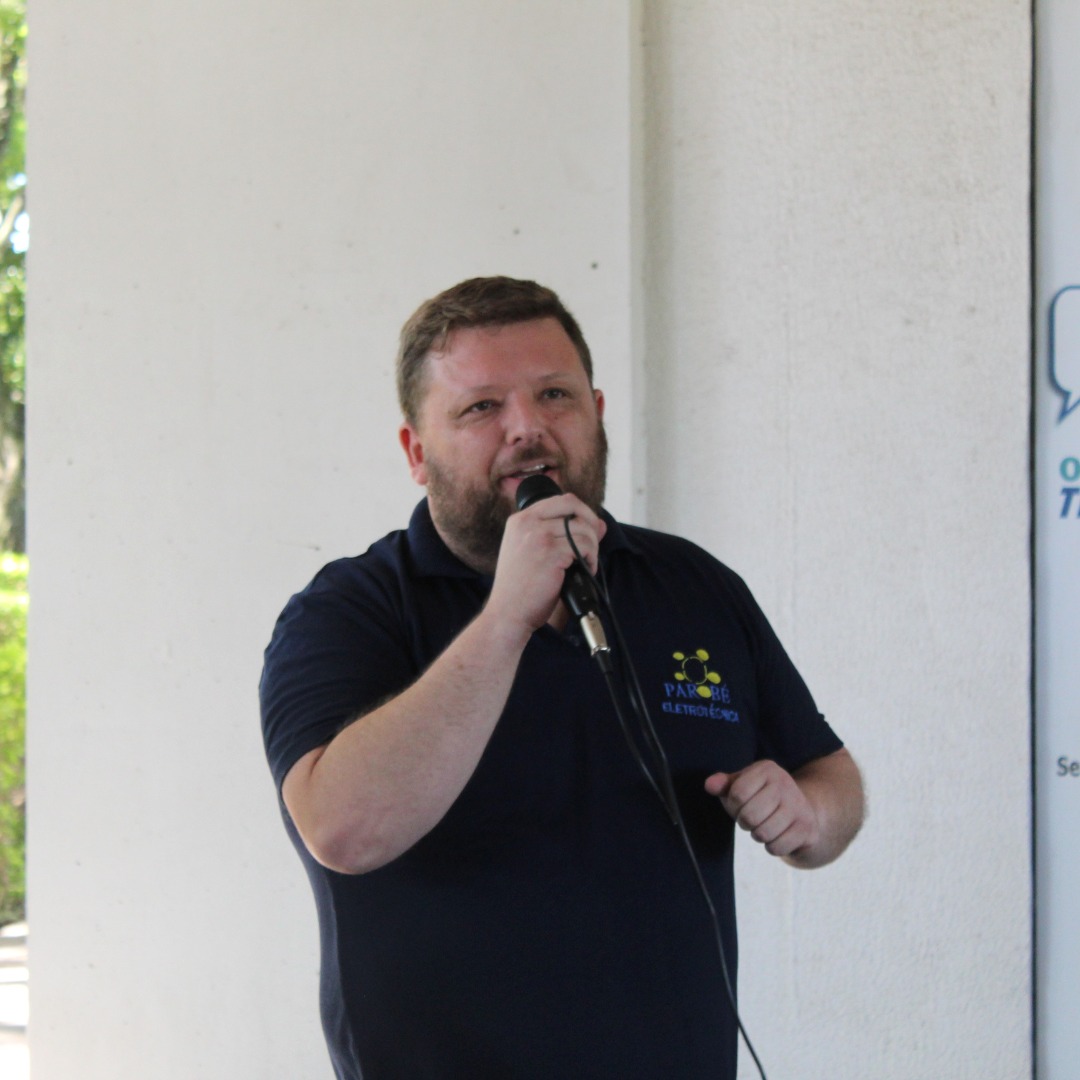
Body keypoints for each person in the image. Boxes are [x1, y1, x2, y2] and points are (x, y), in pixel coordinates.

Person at [260, 276, 864, 1080]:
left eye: (555, 395)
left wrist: (809, 816)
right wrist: (508, 615)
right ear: (416, 452)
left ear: (597, 412)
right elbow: (343, 830)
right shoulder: (349, 612)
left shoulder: (693, 586)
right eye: (481, 407)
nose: (528, 429)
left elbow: (830, 775)